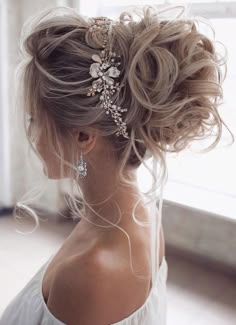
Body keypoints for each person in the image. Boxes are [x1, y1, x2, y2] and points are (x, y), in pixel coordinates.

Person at [0, 4, 233, 325]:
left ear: (83, 135)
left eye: (35, 120)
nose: (33, 137)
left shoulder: (90, 273)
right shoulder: (143, 215)